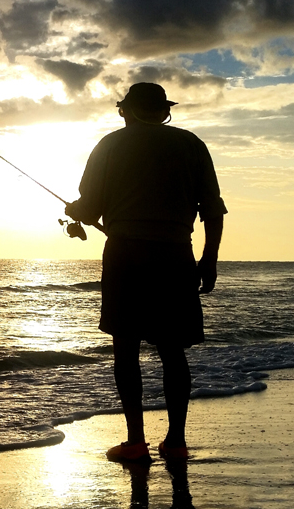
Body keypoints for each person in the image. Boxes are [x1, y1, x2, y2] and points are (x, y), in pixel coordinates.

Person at [64, 82, 226, 462]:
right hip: (176, 256)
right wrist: (210, 259)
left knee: (126, 349)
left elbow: (89, 209)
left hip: (125, 256)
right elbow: (212, 210)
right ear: (164, 111)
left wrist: (74, 211)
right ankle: (176, 442)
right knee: (173, 351)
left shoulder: (109, 145)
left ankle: (136, 441)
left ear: (126, 110)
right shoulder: (192, 144)